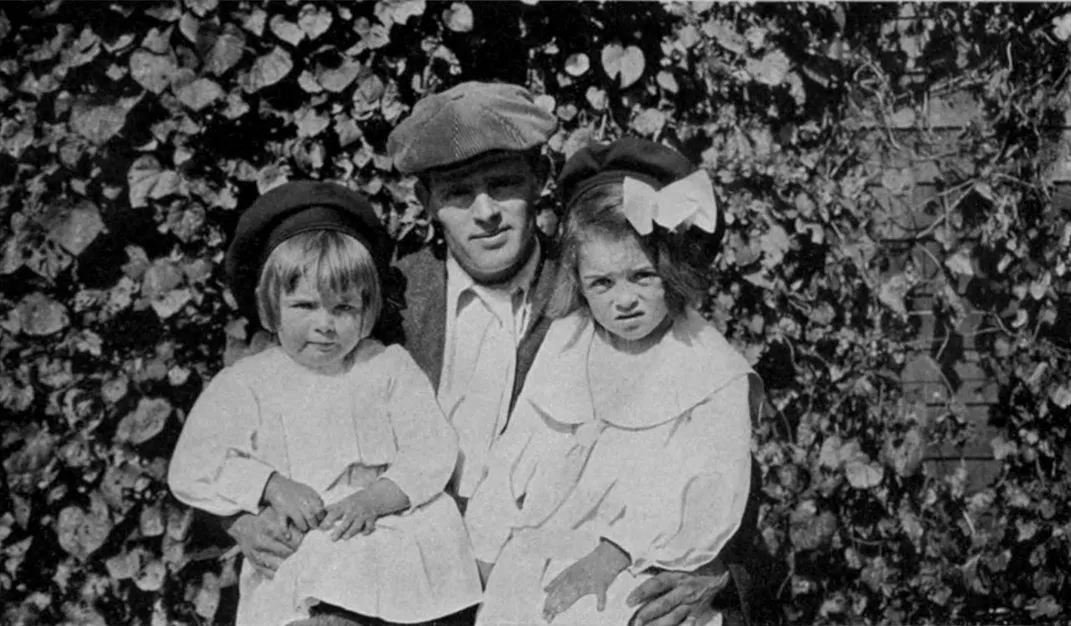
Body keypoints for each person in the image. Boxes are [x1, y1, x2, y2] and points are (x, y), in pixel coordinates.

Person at [221, 81, 767, 626]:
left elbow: (699, 436)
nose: (486, 213)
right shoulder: (387, 302)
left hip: (533, 574)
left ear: (539, 181)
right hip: (396, 561)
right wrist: (242, 514)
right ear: (426, 202)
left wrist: (707, 566)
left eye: (504, 184)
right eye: (458, 193)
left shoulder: (592, 286)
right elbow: (265, 404)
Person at [464, 137, 763, 626]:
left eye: (642, 277)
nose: (624, 300)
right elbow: (514, 457)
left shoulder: (709, 369)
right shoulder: (566, 343)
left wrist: (616, 551)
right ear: (578, 280)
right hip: (536, 554)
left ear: (674, 269)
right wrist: (485, 547)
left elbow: (710, 486)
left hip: (642, 562)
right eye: (602, 283)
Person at [168, 182, 481, 626]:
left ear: (367, 308)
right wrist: (270, 484)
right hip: (306, 543)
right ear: (270, 309)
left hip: (389, 528)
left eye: (343, 308)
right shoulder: (249, 382)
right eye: (304, 306)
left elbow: (431, 449)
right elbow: (194, 463)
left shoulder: (386, 366)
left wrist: (375, 500)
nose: (325, 326)